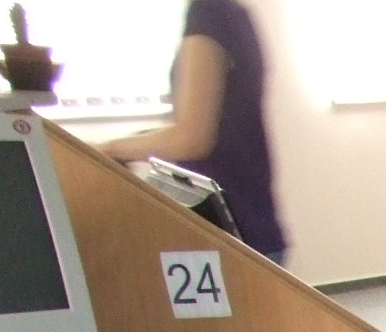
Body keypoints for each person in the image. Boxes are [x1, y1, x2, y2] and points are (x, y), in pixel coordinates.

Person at [102, 1, 287, 262]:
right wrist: (134, 142)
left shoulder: (209, 13)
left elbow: (191, 139)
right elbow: (214, 125)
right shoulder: (231, 14)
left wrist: (107, 149)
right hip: (246, 223)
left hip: (227, 229)